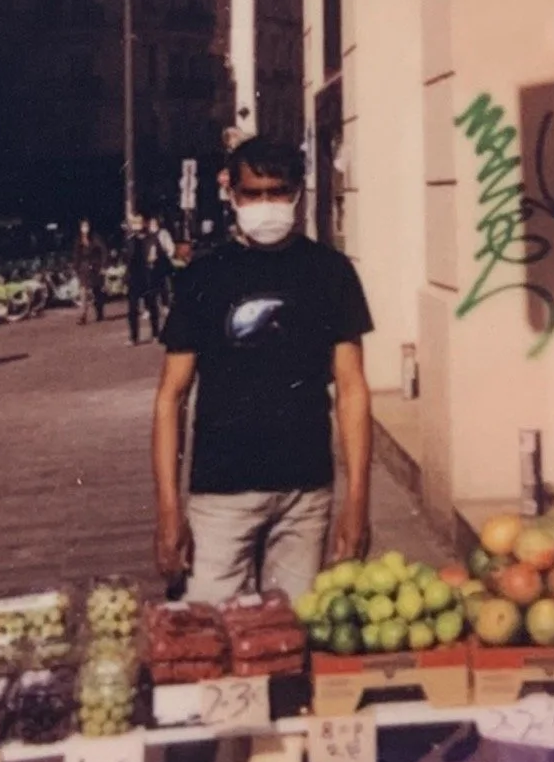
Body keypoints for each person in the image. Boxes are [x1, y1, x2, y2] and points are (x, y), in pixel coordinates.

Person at [151, 134, 374, 606]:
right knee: (210, 630)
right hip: (221, 494)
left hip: (305, 492)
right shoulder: (203, 277)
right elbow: (171, 396)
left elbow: (352, 389)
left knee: (292, 632)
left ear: (297, 192)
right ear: (232, 194)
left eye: (278, 192)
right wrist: (169, 509)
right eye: (253, 194)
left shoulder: (331, 272)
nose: (266, 205)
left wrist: (357, 501)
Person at [124, 217, 162, 346]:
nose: (137, 226)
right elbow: (127, 259)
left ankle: (156, 333)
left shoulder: (152, 239)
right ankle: (133, 337)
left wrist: (155, 261)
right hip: (134, 278)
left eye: (139, 223)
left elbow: (159, 255)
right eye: (134, 223)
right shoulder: (130, 241)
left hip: (148, 277)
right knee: (132, 309)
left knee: (152, 306)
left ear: (144, 224)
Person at [74, 219, 107, 326]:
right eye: (83, 226)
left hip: (95, 267)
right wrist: (76, 267)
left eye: (86, 226)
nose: (85, 229)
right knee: (83, 290)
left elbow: (103, 251)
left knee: (97, 291)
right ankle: (83, 315)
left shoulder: (95, 238)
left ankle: (100, 313)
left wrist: (103, 266)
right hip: (83, 268)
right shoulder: (79, 239)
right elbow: (76, 254)